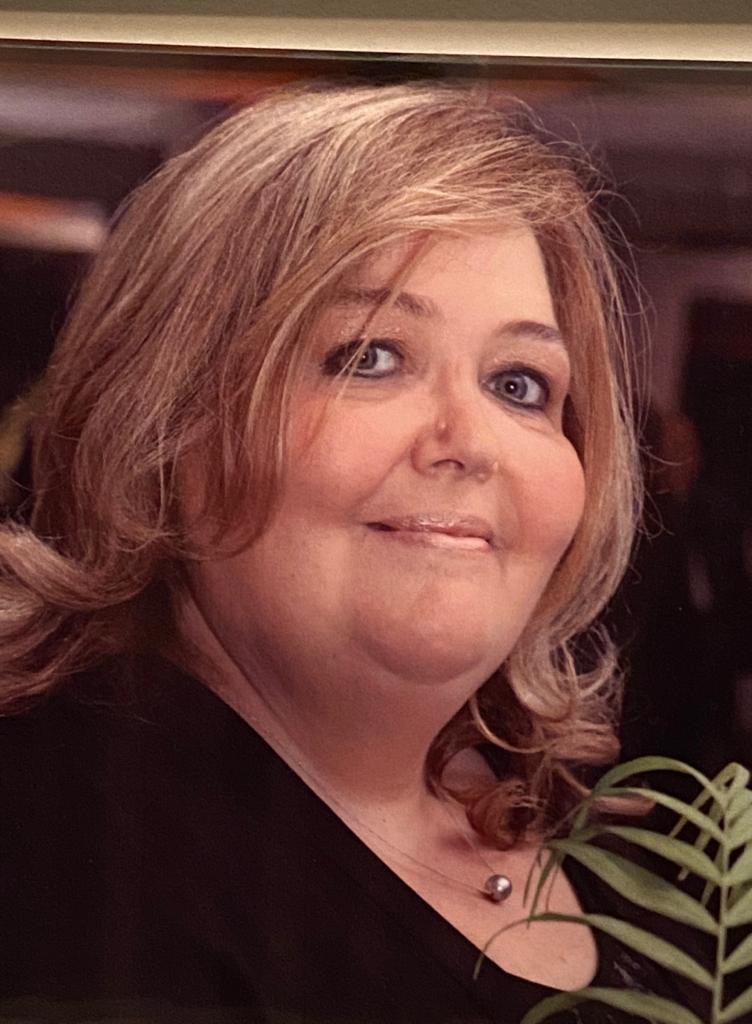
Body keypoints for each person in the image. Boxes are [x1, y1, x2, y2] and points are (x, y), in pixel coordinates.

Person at [0, 82, 701, 1023]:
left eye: (519, 383)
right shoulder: (60, 858)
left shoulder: (622, 849)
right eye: (371, 356)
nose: (471, 440)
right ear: (166, 419)